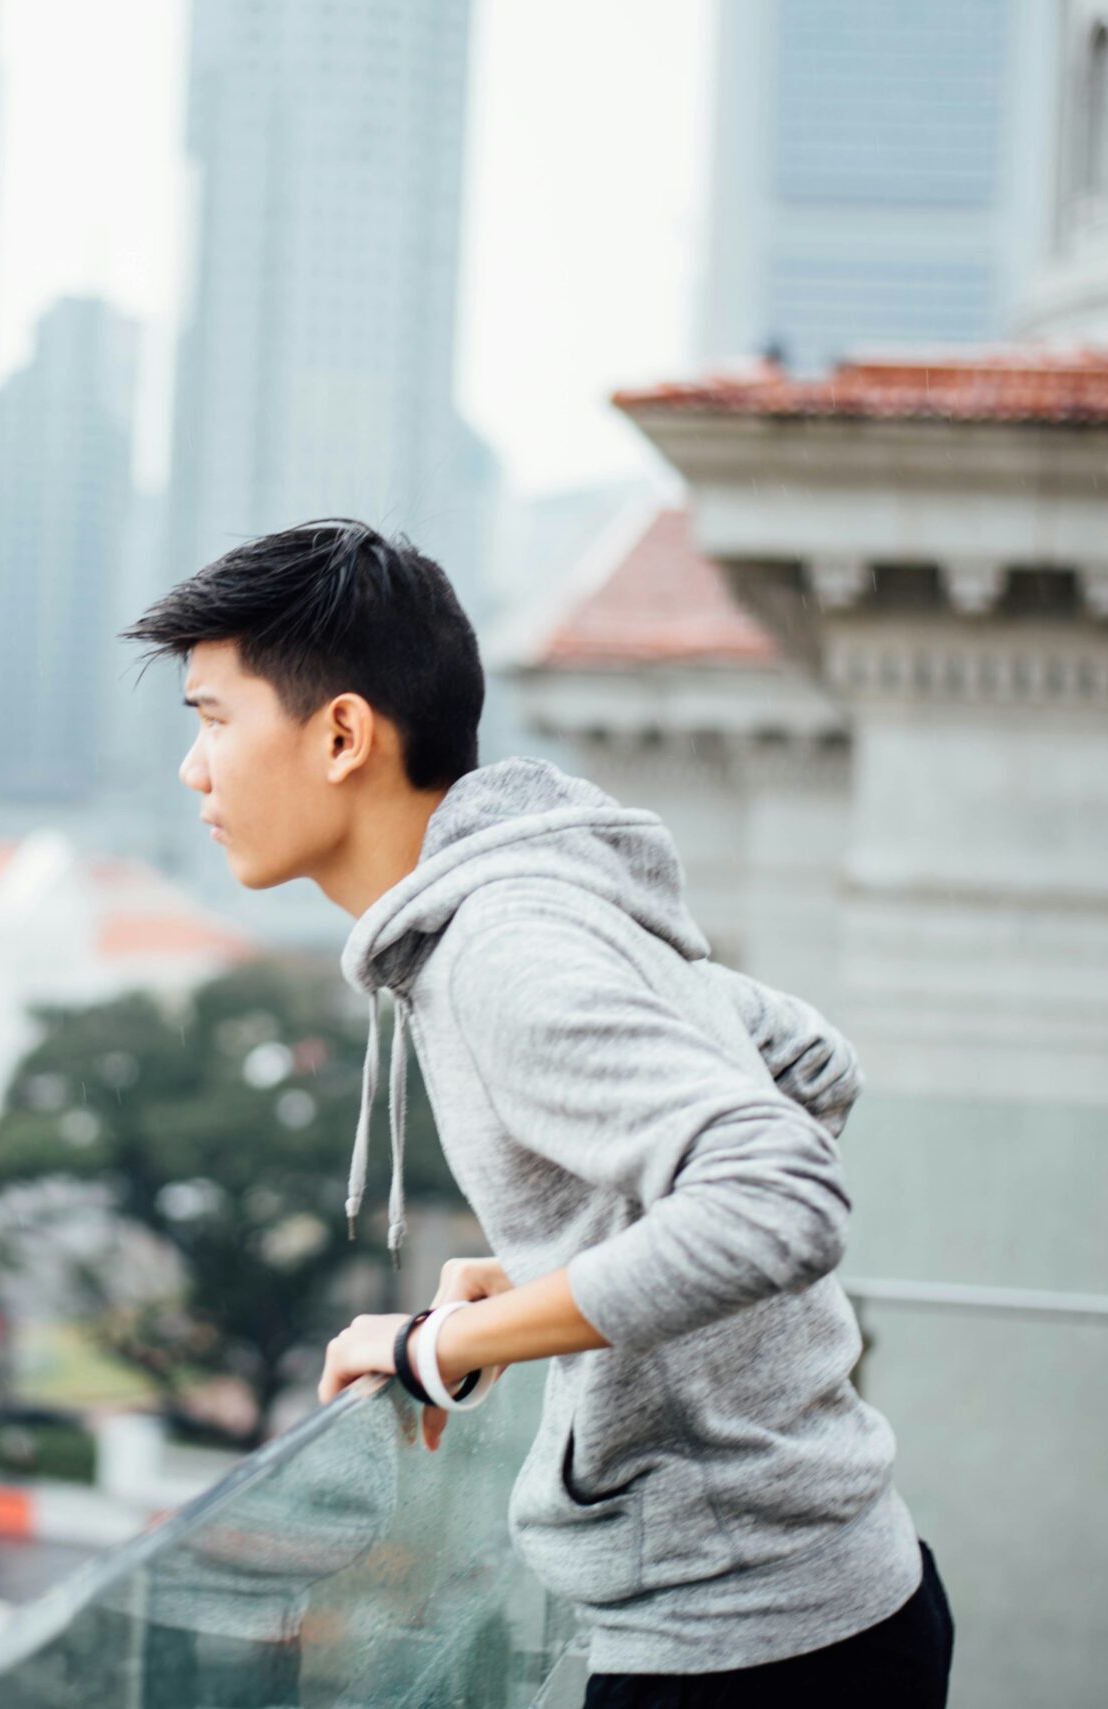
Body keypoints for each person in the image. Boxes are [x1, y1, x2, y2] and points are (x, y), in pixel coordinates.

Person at [121, 519, 954, 1708]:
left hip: (748, 1646)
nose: (195, 769)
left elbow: (781, 1196)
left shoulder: (501, 951)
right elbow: (809, 1064)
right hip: (833, 1601)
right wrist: (557, 1267)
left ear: (343, 732)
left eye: (213, 719)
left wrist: (443, 1343)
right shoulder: (541, 903)